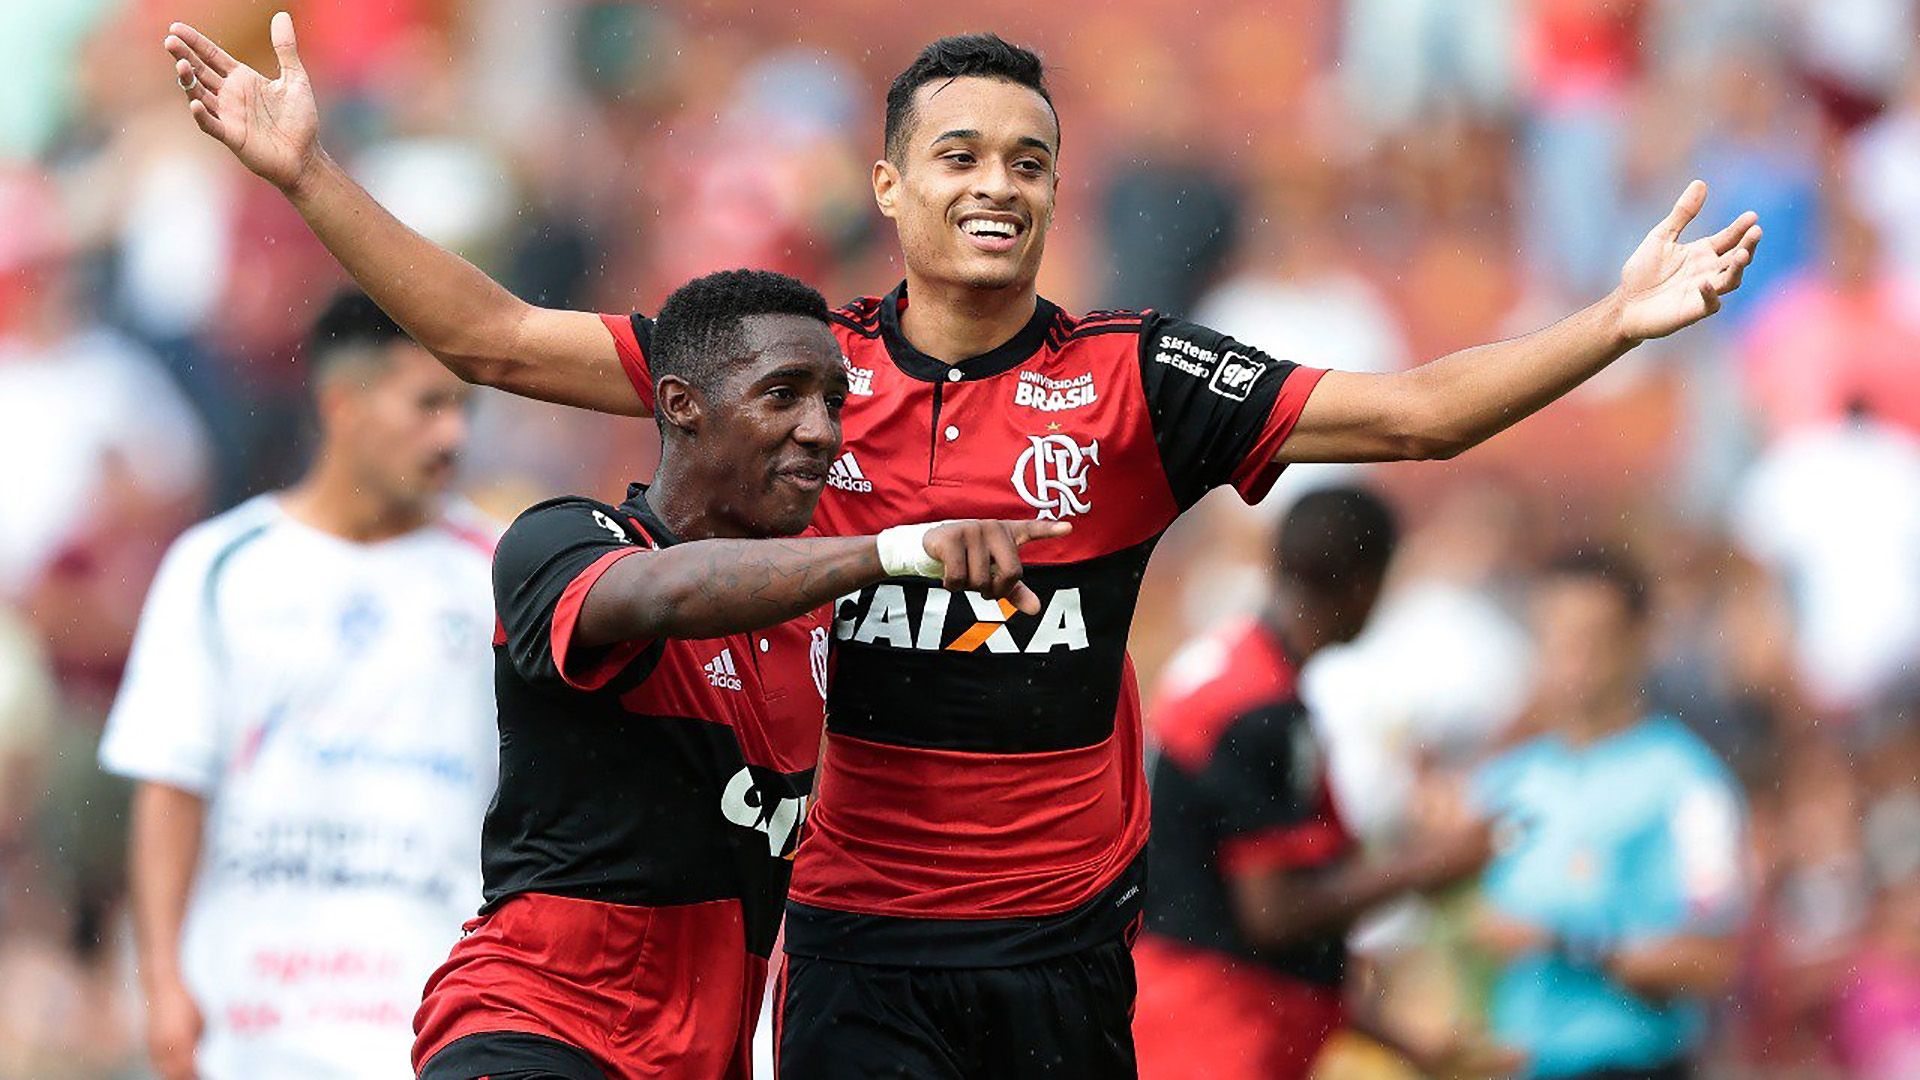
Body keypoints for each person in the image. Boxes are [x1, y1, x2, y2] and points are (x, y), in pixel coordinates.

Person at [164, 16, 1762, 1076]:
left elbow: (1415, 416)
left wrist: (1615, 323)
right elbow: (502, 339)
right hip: (857, 940)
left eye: (1029, 162)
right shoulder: (790, 372)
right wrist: (308, 170)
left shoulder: (1135, 381)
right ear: (890, 184)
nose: (997, 185)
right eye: (960, 156)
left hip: (1066, 947)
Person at [412, 268, 1064, 1080]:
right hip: (539, 1031)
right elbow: (664, 591)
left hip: (705, 1056)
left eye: (833, 401)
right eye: (783, 395)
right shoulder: (564, 541)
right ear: (682, 403)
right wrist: (893, 550)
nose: (821, 430)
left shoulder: (817, 611)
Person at [98, 291, 501, 1079]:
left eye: (463, 408)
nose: (452, 434)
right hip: (250, 1013)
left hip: (429, 1017)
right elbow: (172, 787)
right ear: (342, 405)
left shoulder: (500, 576)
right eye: (428, 405)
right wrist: (162, 981)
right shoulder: (219, 564)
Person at [1131, 486, 1511, 1080]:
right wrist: (1429, 866)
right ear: (1366, 583)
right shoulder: (1261, 709)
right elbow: (1273, 916)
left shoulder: (1230, 667)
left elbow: (1223, 908)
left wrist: (1409, 1047)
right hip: (1219, 1033)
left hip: (1187, 1016)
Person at [1473, 550, 1750, 1080]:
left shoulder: (1691, 785)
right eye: (1556, 639)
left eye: (1591, 640)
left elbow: (1711, 963)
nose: (1572, 660)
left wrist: (1567, 943)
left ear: (1639, 641)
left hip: (1631, 1067)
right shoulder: (1505, 782)